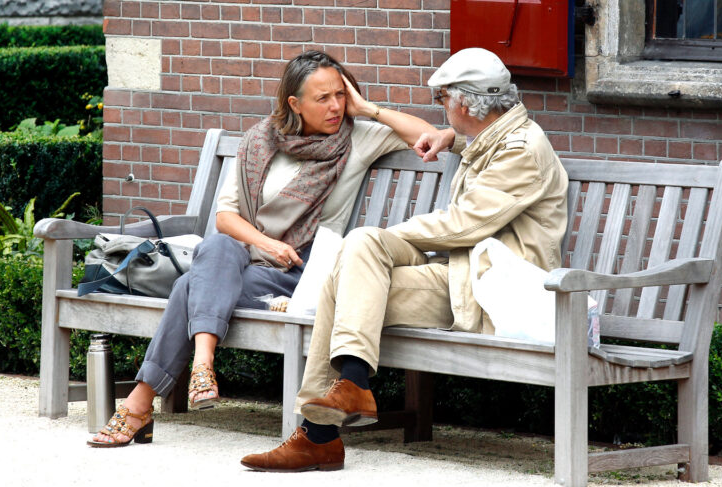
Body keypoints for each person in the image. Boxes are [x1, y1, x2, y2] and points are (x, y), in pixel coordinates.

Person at [239, 48, 570, 472]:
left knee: (344, 279)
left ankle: (320, 433)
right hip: (460, 273)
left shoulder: (521, 150)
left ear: (465, 103)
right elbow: (477, 142)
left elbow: (463, 225)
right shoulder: (496, 136)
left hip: (491, 290)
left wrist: (388, 236)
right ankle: (345, 397)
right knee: (359, 248)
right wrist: (452, 136)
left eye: (443, 101)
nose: (441, 109)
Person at [88, 50, 438, 447]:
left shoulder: (355, 138)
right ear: (294, 103)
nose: (335, 106)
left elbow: (426, 135)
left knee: (191, 288)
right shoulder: (260, 140)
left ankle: (146, 400)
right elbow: (226, 217)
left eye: (340, 95)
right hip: (247, 261)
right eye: (322, 98)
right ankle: (199, 367)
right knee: (219, 245)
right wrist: (266, 243)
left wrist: (367, 107)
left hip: (304, 270)